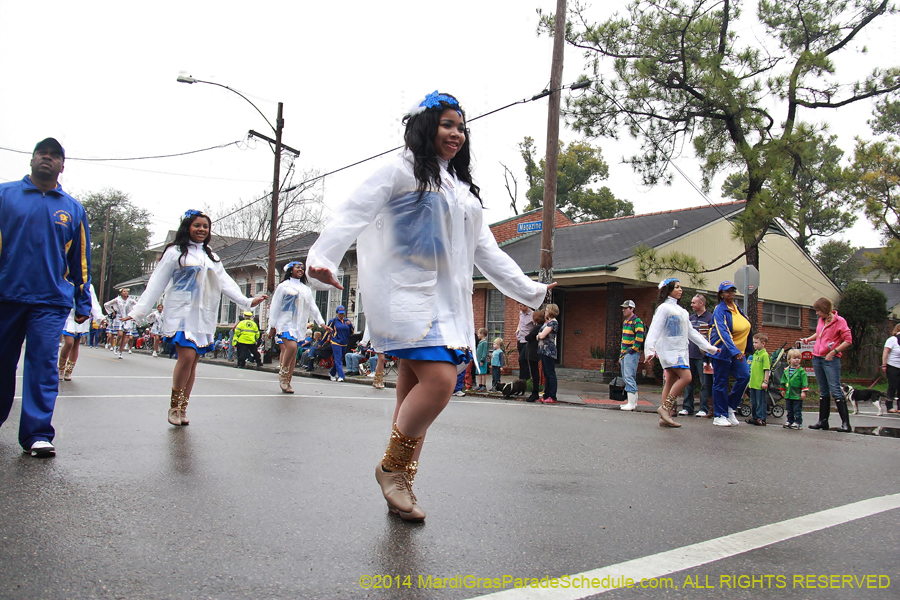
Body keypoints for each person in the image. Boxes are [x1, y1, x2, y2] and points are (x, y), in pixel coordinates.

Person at [306, 91, 552, 522]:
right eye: (447, 125)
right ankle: (391, 469)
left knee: (410, 393)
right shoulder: (399, 171)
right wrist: (322, 258)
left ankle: (402, 483)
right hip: (406, 297)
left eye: (461, 127)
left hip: (448, 302)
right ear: (425, 126)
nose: (456, 134)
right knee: (440, 382)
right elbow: (351, 213)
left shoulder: (462, 192)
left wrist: (530, 290)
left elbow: (487, 252)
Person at [125, 209, 267, 426]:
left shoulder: (212, 256)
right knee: (187, 358)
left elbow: (225, 283)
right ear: (187, 227)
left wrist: (247, 301)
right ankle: (174, 406)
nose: (202, 229)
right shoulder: (175, 252)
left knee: (193, 363)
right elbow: (156, 282)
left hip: (203, 316)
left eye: (205, 226)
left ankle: (183, 408)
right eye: (197, 225)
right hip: (181, 313)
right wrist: (138, 312)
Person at [0, 137, 92, 457]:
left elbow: (80, 260)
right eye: (42, 153)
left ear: (62, 166)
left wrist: (83, 300)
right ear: (32, 159)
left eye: (54, 155)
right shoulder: (4, 195)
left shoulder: (72, 209)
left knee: (42, 365)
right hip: (7, 296)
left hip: (50, 301)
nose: (47, 158)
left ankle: (37, 434)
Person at [644, 279, 719, 427]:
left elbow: (691, 332)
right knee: (687, 377)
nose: (680, 290)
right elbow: (654, 329)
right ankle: (665, 408)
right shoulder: (664, 308)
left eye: (680, 287)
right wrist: (650, 349)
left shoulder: (682, 311)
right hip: (670, 350)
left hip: (680, 351)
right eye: (676, 287)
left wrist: (709, 348)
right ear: (668, 290)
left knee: (671, 380)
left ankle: (664, 417)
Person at [268, 260, 324, 393]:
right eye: (297, 267)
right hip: (284, 323)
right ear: (290, 270)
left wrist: (321, 323)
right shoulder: (283, 286)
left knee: (293, 353)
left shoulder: (306, 289)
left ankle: (288, 381)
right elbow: (275, 306)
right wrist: (272, 326)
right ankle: (283, 375)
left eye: (302, 268)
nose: (300, 270)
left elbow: (313, 307)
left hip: (298, 325)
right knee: (292, 347)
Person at [801, 297, 853, 432]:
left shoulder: (839, 321)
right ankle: (823, 421)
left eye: (818, 310)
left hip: (830, 359)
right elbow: (819, 334)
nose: (816, 313)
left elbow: (848, 340)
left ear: (825, 309)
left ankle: (846, 424)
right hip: (817, 358)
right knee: (823, 391)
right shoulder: (821, 320)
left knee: (835, 389)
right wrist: (808, 339)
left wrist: (834, 352)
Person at [708, 280, 752, 428]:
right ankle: (719, 415)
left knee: (744, 376)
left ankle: (730, 407)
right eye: (727, 291)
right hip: (723, 351)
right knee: (720, 382)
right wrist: (734, 351)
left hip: (739, 352)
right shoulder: (720, 310)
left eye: (732, 290)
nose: (731, 293)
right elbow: (723, 332)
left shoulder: (736, 307)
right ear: (721, 294)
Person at [58, 284, 104, 381]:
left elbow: (93, 303)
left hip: (81, 317)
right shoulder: (67, 281)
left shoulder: (88, 286)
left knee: (76, 344)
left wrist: (100, 318)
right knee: (69, 343)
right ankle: (61, 368)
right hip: (69, 316)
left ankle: (69, 371)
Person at [681, 294, 714, 417]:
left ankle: (704, 408)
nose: (691, 305)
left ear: (701, 303)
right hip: (690, 354)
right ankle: (687, 407)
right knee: (688, 381)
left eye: (694, 303)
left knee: (704, 383)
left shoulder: (710, 318)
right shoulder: (690, 318)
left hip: (703, 357)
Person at [618, 299, 644, 411]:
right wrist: (621, 355)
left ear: (632, 309)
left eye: (625, 308)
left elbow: (640, 337)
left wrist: (633, 350)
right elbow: (623, 340)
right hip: (625, 353)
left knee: (629, 377)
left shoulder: (637, 321)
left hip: (631, 353)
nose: (623, 310)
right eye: (623, 308)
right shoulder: (625, 322)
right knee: (626, 377)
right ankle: (632, 402)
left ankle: (632, 403)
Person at [746, 333, 771, 426]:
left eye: (756, 342)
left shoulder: (764, 355)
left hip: (760, 384)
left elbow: (766, 369)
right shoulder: (755, 354)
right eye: (753, 342)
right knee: (754, 402)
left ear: (763, 344)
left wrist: (765, 381)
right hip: (753, 383)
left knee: (760, 402)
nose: (754, 344)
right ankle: (755, 417)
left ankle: (761, 418)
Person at [104, 288, 137, 359]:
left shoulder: (131, 300)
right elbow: (106, 304)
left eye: (127, 292)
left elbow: (137, 306)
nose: (126, 293)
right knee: (120, 334)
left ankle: (120, 352)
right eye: (124, 291)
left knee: (124, 336)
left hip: (127, 319)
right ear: (121, 293)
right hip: (119, 318)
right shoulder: (117, 300)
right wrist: (112, 311)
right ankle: (116, 345)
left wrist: (134, 315)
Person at [537, 304, 560, 404]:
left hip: (549, 350)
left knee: (551, 373)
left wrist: (539, 335)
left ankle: (552, 396)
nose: (545, 311)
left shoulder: (553, 323)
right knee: (546, 373)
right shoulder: (547, 322)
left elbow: (542, 335)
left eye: (547, 310)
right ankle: (546, 395)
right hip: (543, 350)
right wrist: (539, 335)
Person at [780, 348, 808, 429]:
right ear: (789, 360)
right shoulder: (786, 370)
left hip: (797, 394)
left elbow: (804, 382)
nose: (797, 360)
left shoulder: (801, 371)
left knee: (797, 409)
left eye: (798, 358)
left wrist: (803, 391)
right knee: (789, 408)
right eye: (794, 358)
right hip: (789, 393)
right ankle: (790, 420)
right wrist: (783, 389)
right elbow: (783, 380)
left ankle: (798, 422)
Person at [325, 305, 355, 382]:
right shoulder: (333, 321)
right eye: (340, 313)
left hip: (344, 342)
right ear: (337, 313)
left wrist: (350, 325)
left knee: (339, 359)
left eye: (342, 314)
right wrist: (322, 342)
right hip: (335, 342)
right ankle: (341, 376)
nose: (341, 315)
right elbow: (326, 331)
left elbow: (352, 332)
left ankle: (332, 373)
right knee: (338, 359)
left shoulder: (347, 321)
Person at [523, 310, 545, 402]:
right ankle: (535, 391)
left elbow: (528, 337)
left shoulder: (538, 327)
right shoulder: (539, 327)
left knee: (534, 373)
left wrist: (528, 336)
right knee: (534, 372)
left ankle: (535, 392)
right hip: (532, 351)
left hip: (533, 352)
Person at [880, 324, 900, 413]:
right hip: (893, 366)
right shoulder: (892, 340)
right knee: (893, 385)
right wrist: (884, 365)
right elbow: (886, 352)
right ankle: (889, 406)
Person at [515, 303, 534, 380]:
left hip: (527, 341)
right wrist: (518, 329)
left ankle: (523, 378)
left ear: (526, 305)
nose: (519, 308)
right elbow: (520, 322)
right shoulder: (521, 313)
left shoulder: (532, 314)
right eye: (519, 306)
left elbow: (535, 327)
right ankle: (526, 379)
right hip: (520, 339)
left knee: (522, 359)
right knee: (523, 361)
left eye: (521, 306)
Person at [475, 328, 489, 392]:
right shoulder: (480, 342)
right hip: (478, 360)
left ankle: (484, 385)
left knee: (483, 373)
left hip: (482, 361)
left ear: (482, 334)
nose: (478, 335)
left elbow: (484, 352)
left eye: (479, 334)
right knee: (479, 373)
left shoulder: (484, 342)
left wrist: (482, 360)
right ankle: (480, 384)